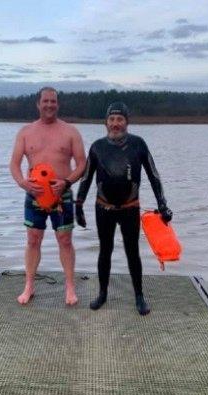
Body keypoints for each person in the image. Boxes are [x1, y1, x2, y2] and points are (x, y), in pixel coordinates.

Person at [75, 102, 173, 315]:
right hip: (104, 209)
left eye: (120, 119)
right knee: (105, 251)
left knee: (132, 252)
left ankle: (139, 296)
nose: (115, 124)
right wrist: (78, 205)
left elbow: (154, 175)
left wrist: (162, 204)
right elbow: (86, 177)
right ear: (106, 122)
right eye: (112, 119)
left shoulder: (139, 144)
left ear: (127, 122)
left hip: (130, 208)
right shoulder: (97, 147)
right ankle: (102, 294)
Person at [9, 87, 86, 306]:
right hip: (34, 192)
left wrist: (67, 182)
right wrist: (22, 182)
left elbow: (82, 163)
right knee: (33, 239)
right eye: (46, 101)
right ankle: (29, 285)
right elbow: (14, 164)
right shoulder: (26, 132)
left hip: (61, 193)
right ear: (38, 104)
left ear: (58, 104)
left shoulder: (70, 131)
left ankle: (70, 286)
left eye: (53, 101)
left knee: (65, 239)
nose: (49, 105)